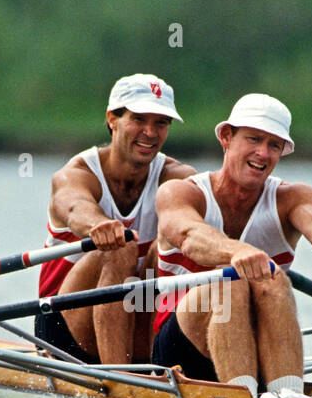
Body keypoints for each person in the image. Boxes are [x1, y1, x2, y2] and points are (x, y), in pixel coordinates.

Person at [151, 93, 312, 398]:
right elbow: (190, 235)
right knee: (231, 278)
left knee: (273, 278)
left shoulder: (292, 198)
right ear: (226, 137)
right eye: (254, 139)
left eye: (274, 145)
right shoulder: (181, 193)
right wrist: (236, 251)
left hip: (254, 352)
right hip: (180, 352)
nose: (262, 153)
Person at [35, 74, 196, 365]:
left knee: (165, 247)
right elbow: (74, 208)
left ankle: (157, 370)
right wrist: (98, 226)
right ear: (112, 119)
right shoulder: (76, 174)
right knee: (120, 245)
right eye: (139, 119)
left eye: (160, 123)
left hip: (135, 321)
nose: (150, 132)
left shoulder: (179, 178)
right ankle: (121, 378)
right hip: (62, 330)